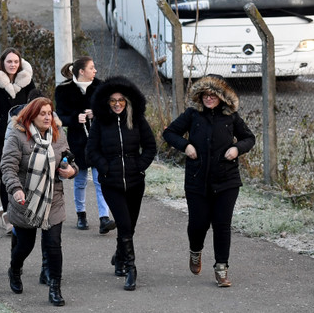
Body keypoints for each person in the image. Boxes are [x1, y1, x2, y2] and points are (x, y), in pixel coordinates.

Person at [163, 74, 256, 288]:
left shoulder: (231, 117)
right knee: (199, 224)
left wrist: (237, 149)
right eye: (205, 94)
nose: (208, 98)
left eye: (213, 94)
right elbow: (169, 133)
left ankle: (221, 268)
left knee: (222, 225)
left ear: (222, 96)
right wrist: (186, 146)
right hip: (197, 180)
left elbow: (248, 138)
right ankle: (195, 251)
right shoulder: (192, 114)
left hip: (227, 180)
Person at [1, 97, 77, 306]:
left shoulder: (58, 135)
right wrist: (16, 190)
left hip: (53, 198)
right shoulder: (17, 134)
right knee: (25, 245)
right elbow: (8, 167)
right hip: (26, 200)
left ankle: (55, 288)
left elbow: (70, 162)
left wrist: (71, 171)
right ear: (31, 115)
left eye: (49, 112)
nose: (46, 117)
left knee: (53, 244)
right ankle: (15, 269)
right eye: (42, 113)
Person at [86, 76, 156, 291]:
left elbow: (151, 147)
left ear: (128, 101)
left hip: (135, 182)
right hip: (111, 183)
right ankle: (131, 268)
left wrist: (139, 165)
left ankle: (119, 256)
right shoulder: (100, 122)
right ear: (107, 102)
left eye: (121, 100)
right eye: (113, 100)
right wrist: (104, 168)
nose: (117, 104)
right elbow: (91, 151)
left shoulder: (137, 120)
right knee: (124, 225)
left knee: (130, 227)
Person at [54, 56, 116, 234]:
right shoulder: (63, 90)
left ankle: (104, 217)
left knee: (100, 180)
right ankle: (81, 215)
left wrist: (95, 113)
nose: (95, 71)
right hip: (77, 142)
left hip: (98, 142)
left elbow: (112, 110)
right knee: (80, 180)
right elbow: (59, 117)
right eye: (91, 68)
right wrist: (75, 118)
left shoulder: (101, 87)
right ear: (82, 71)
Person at [0, 48, 36, 234]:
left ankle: (16, 212)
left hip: (22, 137)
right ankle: (8, 216)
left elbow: (35, 104)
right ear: (2, 63)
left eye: (16, 61)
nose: (13, 65)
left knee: (21, 175)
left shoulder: (27, 82)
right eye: (9, 61)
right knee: (6, 175)